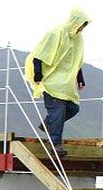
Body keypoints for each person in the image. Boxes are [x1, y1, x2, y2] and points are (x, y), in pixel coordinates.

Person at [25, 8, 90, 157]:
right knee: (57, 111)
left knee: (73, 108)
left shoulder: (78, 39)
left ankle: (48, 124)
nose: (82, 29)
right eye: (81, 25)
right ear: (74, 22)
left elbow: (76, 61)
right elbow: (39, 54)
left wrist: (80, 78)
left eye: (84, 26)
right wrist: (38, 74)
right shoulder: (56, 33)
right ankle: (55, 145)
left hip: (66, 83)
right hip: (52, 80)